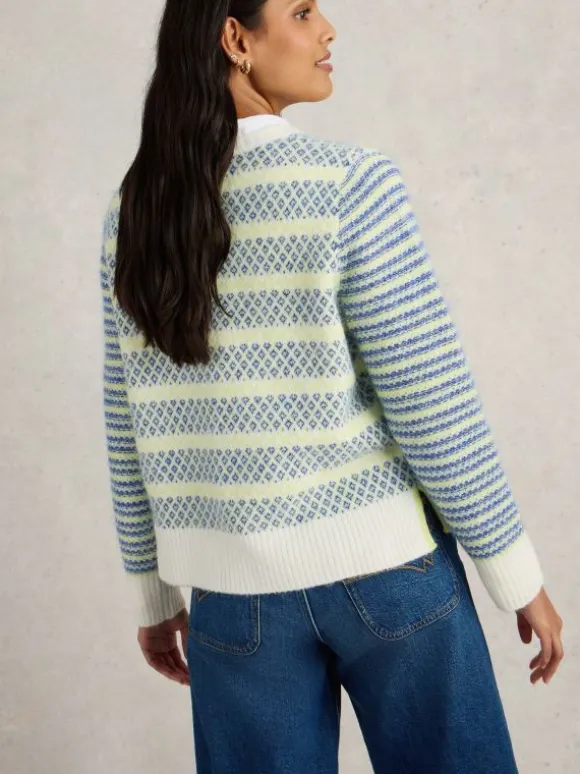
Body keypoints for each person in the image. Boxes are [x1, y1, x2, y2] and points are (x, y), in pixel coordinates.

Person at [98, 1, 564, 771]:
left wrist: (152, 593)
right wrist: (516, 575)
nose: (328, 29)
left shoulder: (134, 212)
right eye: (302, 10)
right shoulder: (351, 185)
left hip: (230, 600)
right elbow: (432, 402)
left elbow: (128, 420)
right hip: (388, 576)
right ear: (236, 38)